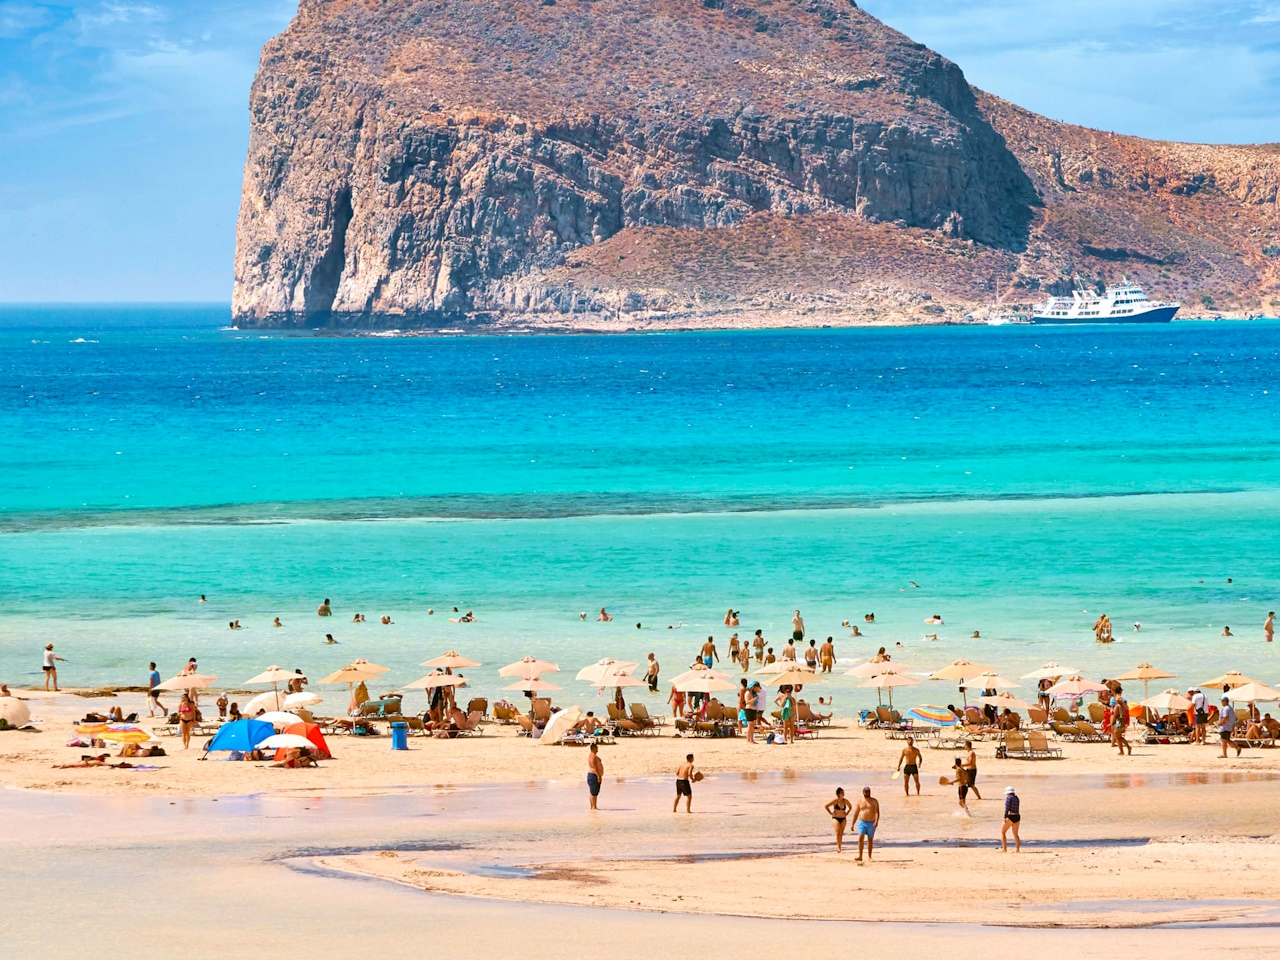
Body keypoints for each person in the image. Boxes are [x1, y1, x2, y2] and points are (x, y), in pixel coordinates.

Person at [853, 787, 879, 862]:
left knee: (870, 840)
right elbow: (856, 813)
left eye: (869, 791)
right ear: (863, 792)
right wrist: (853, 823)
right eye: (866, 791)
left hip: (871, 822)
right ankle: (860, 856)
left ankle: (869, 856)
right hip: (862, 822)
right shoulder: (860, 801)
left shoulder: (874, 801)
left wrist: (876, 821)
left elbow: (877, 812)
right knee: (860, 838)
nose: (867, 793)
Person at [825, 788, 852, 852]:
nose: (843, 793)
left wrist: (847, 813)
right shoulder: (835, 801)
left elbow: (850, 807)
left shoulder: (845, 801)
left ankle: (840, 846)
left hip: (843, 818)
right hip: (835, 818)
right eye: (842, 792)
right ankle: (838, 848)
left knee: (841, 833)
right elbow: (826, 806)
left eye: (843, 792)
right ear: (838, 794)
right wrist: (831, 813)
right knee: (837, 832)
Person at [1001, 786, 1022, 852]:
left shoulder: (1008, 798)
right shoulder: (1017, 798)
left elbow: (1007, 808)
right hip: (1017, 816)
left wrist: (1005, 817)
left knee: (1003, 832)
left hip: (1010, 816)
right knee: (1016, 834)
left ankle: (1004, 849)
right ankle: (1017, 849)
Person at [587, 743, 603, 809]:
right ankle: (593, 807)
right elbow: (594, 766)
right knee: (593, 792)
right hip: (593, 775)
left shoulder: (591, 756)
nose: (597, 749)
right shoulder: (593, 756)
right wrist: (598, 776)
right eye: (596, 748)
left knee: (593, 792)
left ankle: (593, 807)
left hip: (592, 775)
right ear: (593, 748)